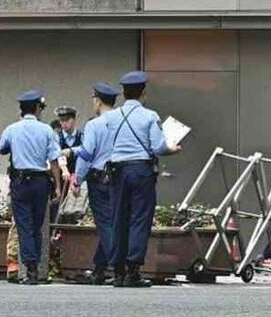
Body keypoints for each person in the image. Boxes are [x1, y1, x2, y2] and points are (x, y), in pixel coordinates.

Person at [106, 70, 181, 288]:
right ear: (143, 93)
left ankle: (117, 271)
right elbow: (158, 147)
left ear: (123, 93)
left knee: (118, 218)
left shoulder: (111, 117)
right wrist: (173, 149)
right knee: (139, 218)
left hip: (117, 170)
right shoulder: (150, 116)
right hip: (141, 171)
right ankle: (133, 270)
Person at [0, 89, 62, 285]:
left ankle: (31, 269)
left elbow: (1, 148)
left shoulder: (12, 129)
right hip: (41, 182)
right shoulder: (47, 130)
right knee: (37, 225)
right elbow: (54, 161)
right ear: (37, 108)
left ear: (21, 110)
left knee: (24, 225)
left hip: (20, 181)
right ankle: (37, 270)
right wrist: (57, 187)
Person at [73, 83, 119, 285]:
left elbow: (87, 153)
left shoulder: (94, 124)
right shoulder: (122, 121)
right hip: (120, 178)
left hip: (99, 178)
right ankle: (100, 268)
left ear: (98, 101)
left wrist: (77, 178)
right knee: (113, 223)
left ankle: (119, 267)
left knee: (104, 224)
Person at [55, 106, 83, 175]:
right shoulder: (56, 137)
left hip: (79, 176)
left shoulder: (82, 136)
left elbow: (86, 150)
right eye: (62, 120)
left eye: (67, 120)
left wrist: (71, 151)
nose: (64, 123)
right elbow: (57, 155)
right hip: (62, 176)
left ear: (74, 119)